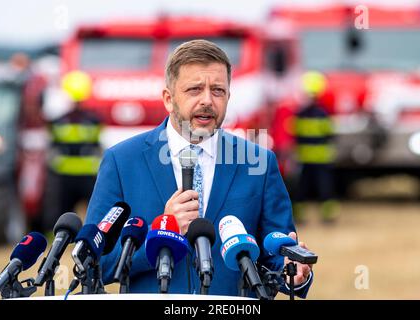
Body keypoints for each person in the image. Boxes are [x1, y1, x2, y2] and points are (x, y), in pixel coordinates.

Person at [85, 40, 313, 297]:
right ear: (169, 99)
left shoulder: (258, 161)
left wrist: (293, 272)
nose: (207, 101)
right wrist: (161, 232)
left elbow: (276, 257)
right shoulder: (122, 161)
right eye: (195, 90)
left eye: (217, 90)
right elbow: (96, 263)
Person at [44, 71, 102, 233]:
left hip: (70, 176)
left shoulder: (58, 121)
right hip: (80, 176)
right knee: (88, 213)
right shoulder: (94, 120)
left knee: (67, 213)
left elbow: (52, 146)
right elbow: (97, 145)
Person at [293, 71, 339, 224]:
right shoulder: (323, 114)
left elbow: (294, 135)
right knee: (324, 189)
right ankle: (328, 216)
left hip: (305, 158)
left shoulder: (300, 114)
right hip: (321, 159)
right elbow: (331, 135)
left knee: (303, 189)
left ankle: (298, 216)